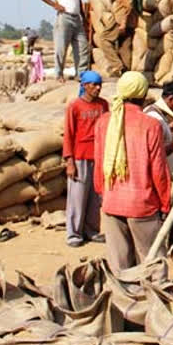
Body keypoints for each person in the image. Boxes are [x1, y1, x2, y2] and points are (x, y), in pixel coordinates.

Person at [94, 72, 171, 274]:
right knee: (152, 260)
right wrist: (164, 202)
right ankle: (157, 299)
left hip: (112, 202)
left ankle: (125, 301)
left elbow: (99, 162)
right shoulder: (151, 125)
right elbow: (158, 169)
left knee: (119, 264)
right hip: (142, 204)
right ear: (143, 94)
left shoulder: (104, 122)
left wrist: (103, 193)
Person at [63, 71, 109, 247]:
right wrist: (70, 161)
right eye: (94, 85)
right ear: (84, 86)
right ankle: (74, 234)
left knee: (94, 197)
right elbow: (69, 134)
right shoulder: (75, 107)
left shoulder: (103, 105)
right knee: (77, 197)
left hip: (98, 156)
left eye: (99, 85)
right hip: (80, 157)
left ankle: (92, 230)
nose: (98, 88)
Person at [37, 0, 90, 82]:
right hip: (64, 18)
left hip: (77, 18)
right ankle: (59, 74)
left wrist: (83, 17)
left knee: (82, 48)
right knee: (61, 48)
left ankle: (80, 74)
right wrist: (54, 4)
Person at [97, 0, 143, 77]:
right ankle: (125, 75)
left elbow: (128, 4)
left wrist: (123, 23)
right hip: (132, 21)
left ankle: (118, 66)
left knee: (104, 40)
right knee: (124, 48)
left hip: (120, 19)